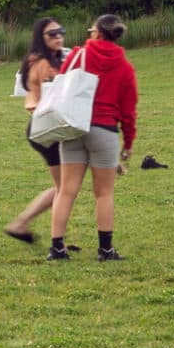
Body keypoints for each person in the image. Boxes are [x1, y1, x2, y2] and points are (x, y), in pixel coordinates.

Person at [46, 13, 138, 262]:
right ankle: (105, 250)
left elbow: (60, 84)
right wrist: (128, 144)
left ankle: (57, 248)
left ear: (97, 33)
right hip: (105, 130)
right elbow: (129, 110)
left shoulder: (77, 55)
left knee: (66, 190)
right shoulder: (125, 66)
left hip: (74, 126)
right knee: (104, 193)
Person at [5, 13, 67, 243]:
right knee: (64, 188)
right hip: (46, 129)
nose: (58, 37)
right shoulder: (42, 64)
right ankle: (24, 225)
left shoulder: (50, 59)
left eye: (61, 32)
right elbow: (54, 94)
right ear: (41, 38)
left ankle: (22, 223)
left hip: (45, 128)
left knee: (64, 186)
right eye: (52, 34)